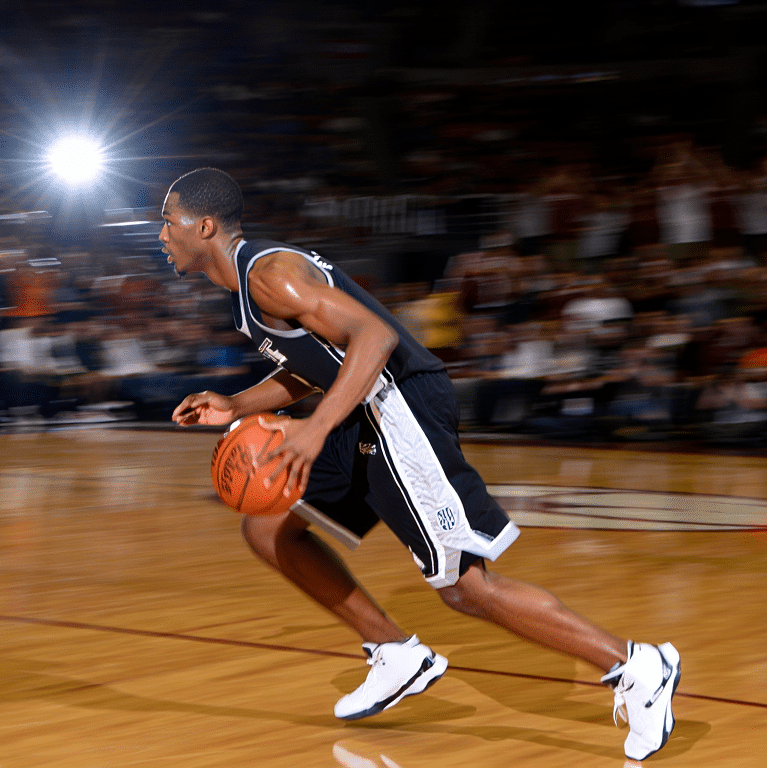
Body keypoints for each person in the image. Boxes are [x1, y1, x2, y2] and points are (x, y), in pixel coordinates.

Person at [163, 168, 682, 762]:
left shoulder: (270, 275)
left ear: (203, 227)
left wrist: (314, 429)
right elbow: (320, 367)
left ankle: (637, 667)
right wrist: (238, 404)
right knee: (268, 527)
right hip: (365, 409)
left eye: (168, 220)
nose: (161, 234)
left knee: (464, 588)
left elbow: (374, 340)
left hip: (400, 408)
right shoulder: (250, 288)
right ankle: (395, 652)